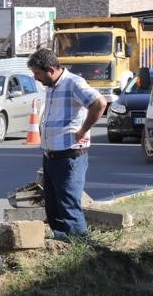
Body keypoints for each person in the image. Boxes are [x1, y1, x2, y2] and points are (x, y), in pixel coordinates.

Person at [27, 48, 107, 242]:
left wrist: (83, 130)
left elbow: (99, 103)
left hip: (70, 155)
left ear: (51, 69)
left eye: (38, 73)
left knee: (68, 204)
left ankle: (80, 247)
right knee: (53, 205)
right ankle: (62, 242)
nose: (36, 78)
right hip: (51, 155)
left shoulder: (73, 83)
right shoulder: (52, 86)